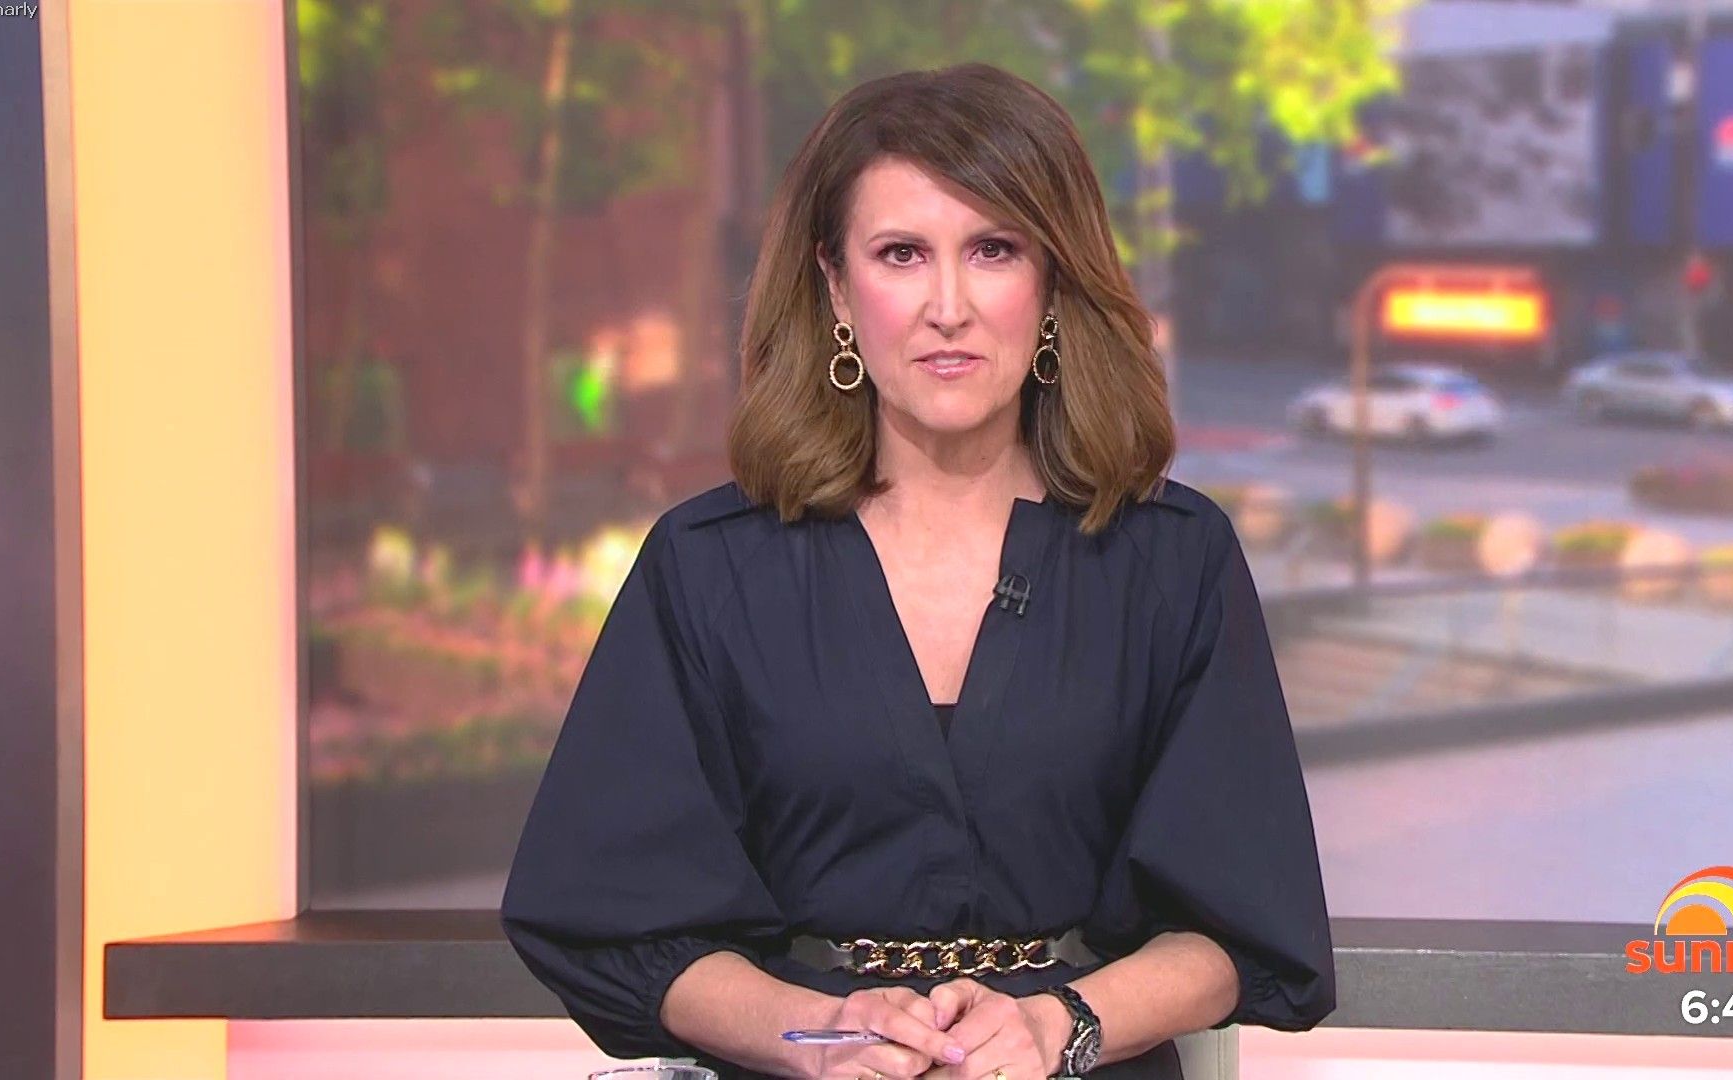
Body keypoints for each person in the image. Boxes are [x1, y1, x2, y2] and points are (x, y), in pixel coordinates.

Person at [500, 62, 1334, 1080]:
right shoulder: (709, 567)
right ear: (836, 288)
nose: (948, 305)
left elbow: (1240, 920)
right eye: (901, 254)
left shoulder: (1171, 559)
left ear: (1053, 282)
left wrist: (1058, 1026)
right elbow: (612, 919)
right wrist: (817, 1037)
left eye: (993, 250)